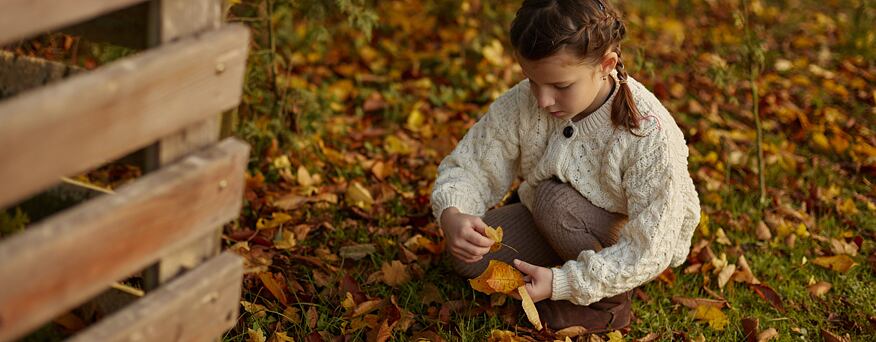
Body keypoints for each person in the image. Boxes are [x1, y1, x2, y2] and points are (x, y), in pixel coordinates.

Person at [430, 0, 701, 332]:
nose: (543, 100)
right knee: (466, 256)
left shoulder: (648, 133)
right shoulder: (526, 102)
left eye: (560, 86)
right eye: (533, 81)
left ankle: (606, 305)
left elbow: (651, 244)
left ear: (606, 65)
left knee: (552, 201)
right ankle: (561, 266)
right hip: (552, 216)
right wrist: (454, 213)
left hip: (626, 236)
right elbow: (472, 163)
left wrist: (563, 283)